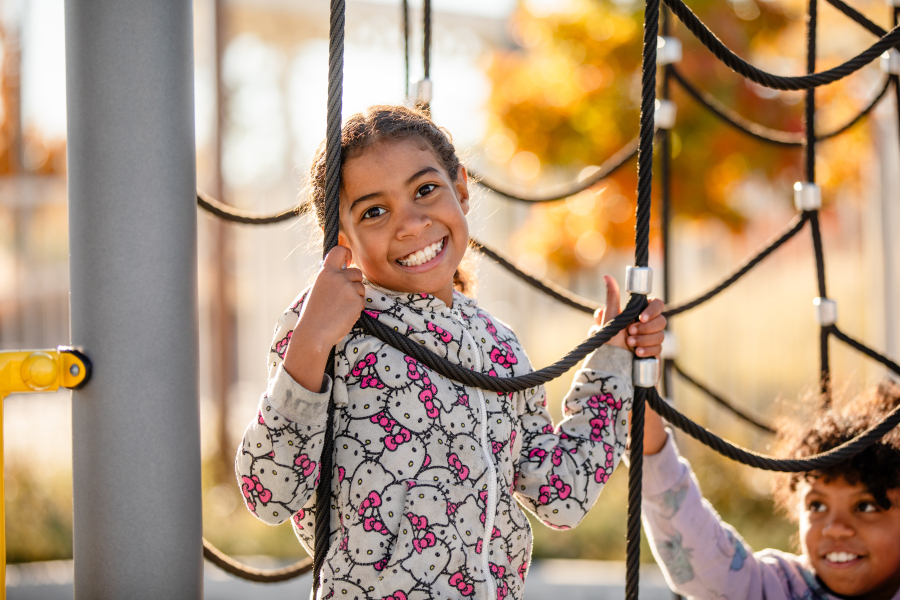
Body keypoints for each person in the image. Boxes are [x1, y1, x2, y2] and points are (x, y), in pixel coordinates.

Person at [236, 104, 666, 600]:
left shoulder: (496, 345)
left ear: (460, 188)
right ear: (341, 237)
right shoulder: (328, 327)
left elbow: (558, 495)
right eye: (374, 211)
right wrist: (310, 342)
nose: (412, 224)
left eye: (425, 190)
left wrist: (611, 360)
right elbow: (270, 494)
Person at [640, 382, 900, 600]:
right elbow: (706, 561)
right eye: (817, 506)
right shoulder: (780, 588)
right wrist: (645, 422)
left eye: (865, 506)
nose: (834, 528)